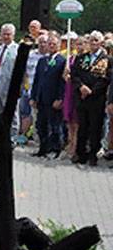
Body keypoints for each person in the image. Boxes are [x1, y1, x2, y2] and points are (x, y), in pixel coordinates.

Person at [71, 30, 110, 166]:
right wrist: (81, 87)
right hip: (81, 97)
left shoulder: (107, 59)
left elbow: (106, 79)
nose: (93, 43)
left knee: (95, 128)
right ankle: (81, 154)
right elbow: (74, 74)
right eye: (91, 40)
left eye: (96, 40)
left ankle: (93, 155)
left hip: (96, 99)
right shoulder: (81, 57)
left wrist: (91, 91)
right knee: (82, 127)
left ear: (101, 43)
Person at [31, 33, 66, 158]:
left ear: (59, 45)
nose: (51, 46)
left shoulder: (62, 61)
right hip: (41, 98)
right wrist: (33, 97)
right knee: (41, 125)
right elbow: (36, 80)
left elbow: (62, 83)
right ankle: (43, 148)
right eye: (49, 43)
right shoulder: (42, 60)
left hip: (53, 99)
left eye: (54, 44)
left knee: (55, 126)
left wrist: (60, 98)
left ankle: (55, 149)